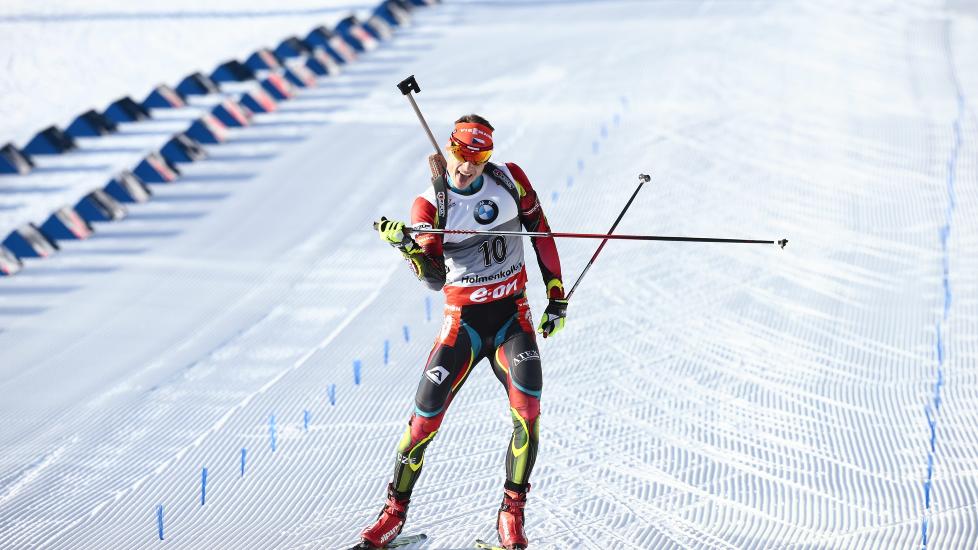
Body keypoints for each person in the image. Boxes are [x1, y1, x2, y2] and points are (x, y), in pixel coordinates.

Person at [358, 115, 567, 549]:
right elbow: (434, 278)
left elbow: (540, 230)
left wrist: (556, 293)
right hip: (464, 324)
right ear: (449, 147)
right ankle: (392, 514)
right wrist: (408, 247)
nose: (467, 165)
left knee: (528, 413)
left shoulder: (511, 180)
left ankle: (512, 516)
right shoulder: (429, 205)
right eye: (461, 153)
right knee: (424, 418)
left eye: (479, 155)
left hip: (512, 316)